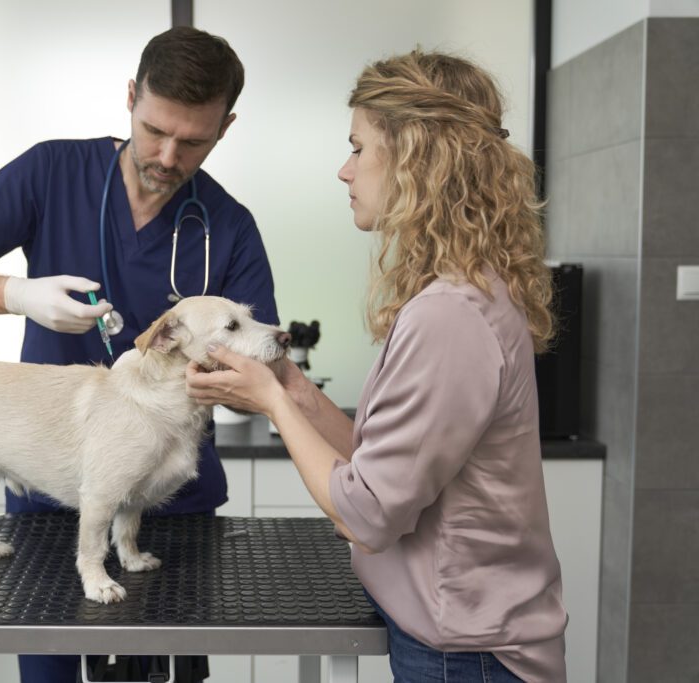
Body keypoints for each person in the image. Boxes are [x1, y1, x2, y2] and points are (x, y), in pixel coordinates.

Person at [0, 26, 278, 683]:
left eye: (192, 141)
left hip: (174, 511)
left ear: (227, 126)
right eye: (153, 128)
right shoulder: (52, 173)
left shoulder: (230, 227)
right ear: (131, 96)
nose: (166, 155)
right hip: (48, 498)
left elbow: (259, 364)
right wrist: (14, 293)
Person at [185, 50, 568, 683]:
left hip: (463, 654)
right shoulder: (460, 292)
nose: (345, 170)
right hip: (462, 635)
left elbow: (366, 514)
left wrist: (272, 403)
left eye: (358, 148)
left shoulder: (450, 316)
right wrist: (292, 386)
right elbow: (384, 466)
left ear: (417, 157)